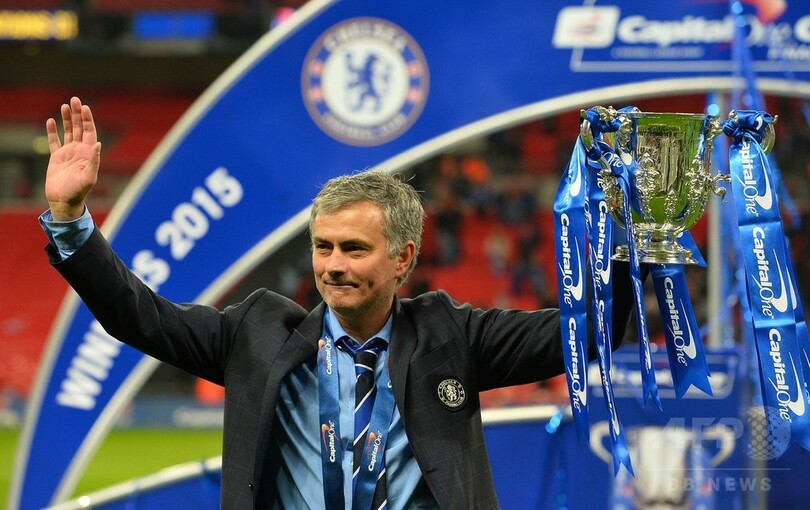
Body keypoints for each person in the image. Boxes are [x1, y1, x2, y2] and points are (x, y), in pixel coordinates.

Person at [40, 97, 638, 509]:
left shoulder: (451, 335)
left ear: (403, 259)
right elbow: (137, 315)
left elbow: (590, 331)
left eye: (354, 249)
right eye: (323, 246)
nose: (332, 265)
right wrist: (70, 220)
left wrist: (637, 238)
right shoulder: (257, 333)